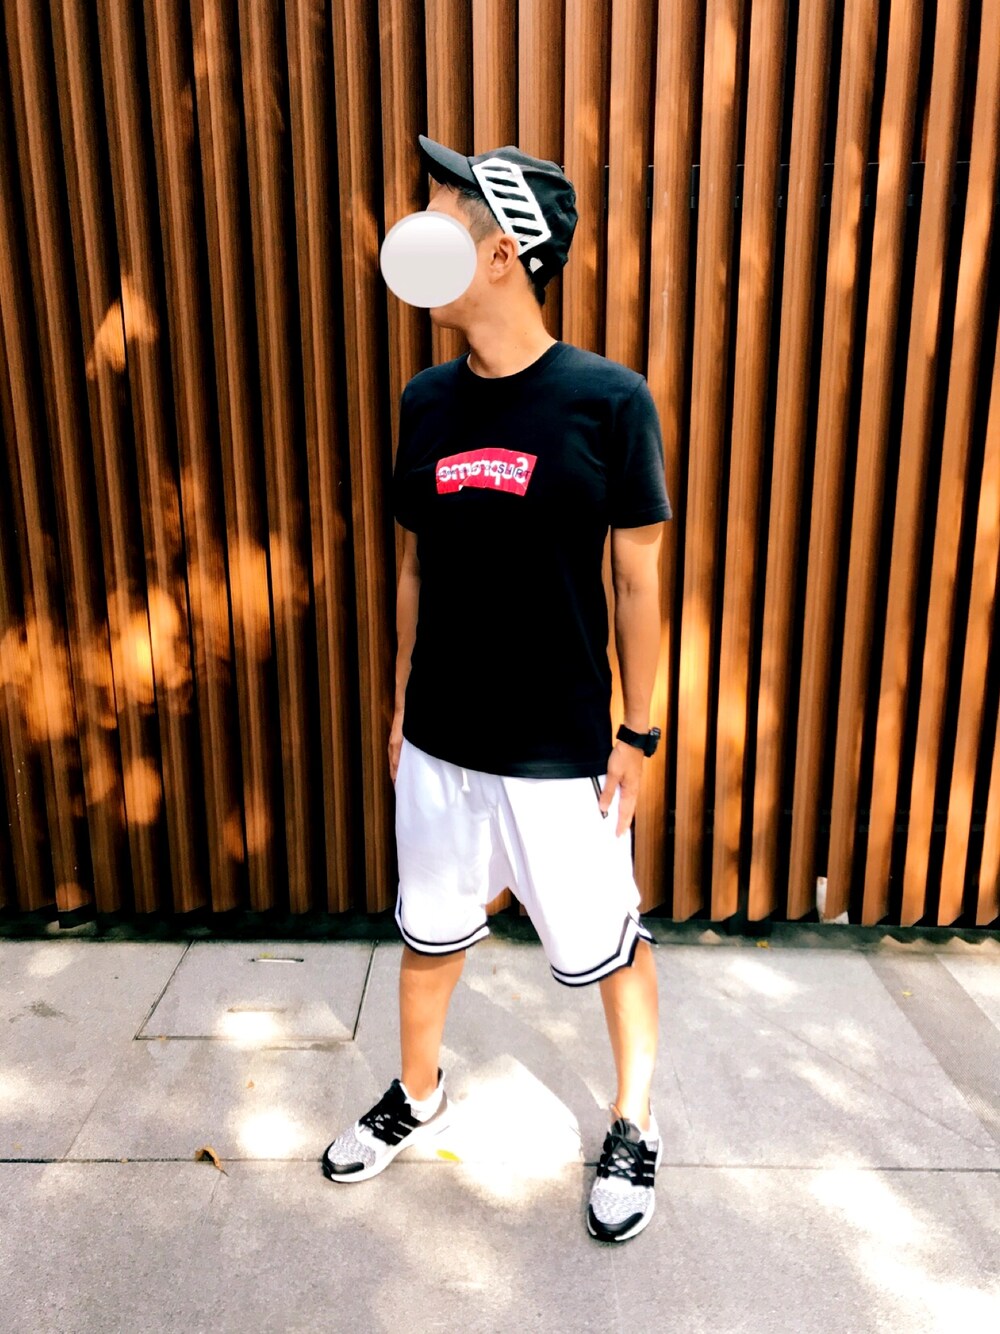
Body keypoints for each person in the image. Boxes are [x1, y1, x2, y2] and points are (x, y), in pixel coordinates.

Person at [323, 135, 672, 1244]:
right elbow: (414, 565)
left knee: (608, 940)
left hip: (560, 751)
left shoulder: (609, 401)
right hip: (440, 739)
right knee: (430, 932)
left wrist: (639, 735)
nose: (413, 237)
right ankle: (417, 1091)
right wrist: (398, 704)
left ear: (503, 255)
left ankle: (634, 1122)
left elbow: (637, 580)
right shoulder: (425, 400)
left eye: (439, 217)